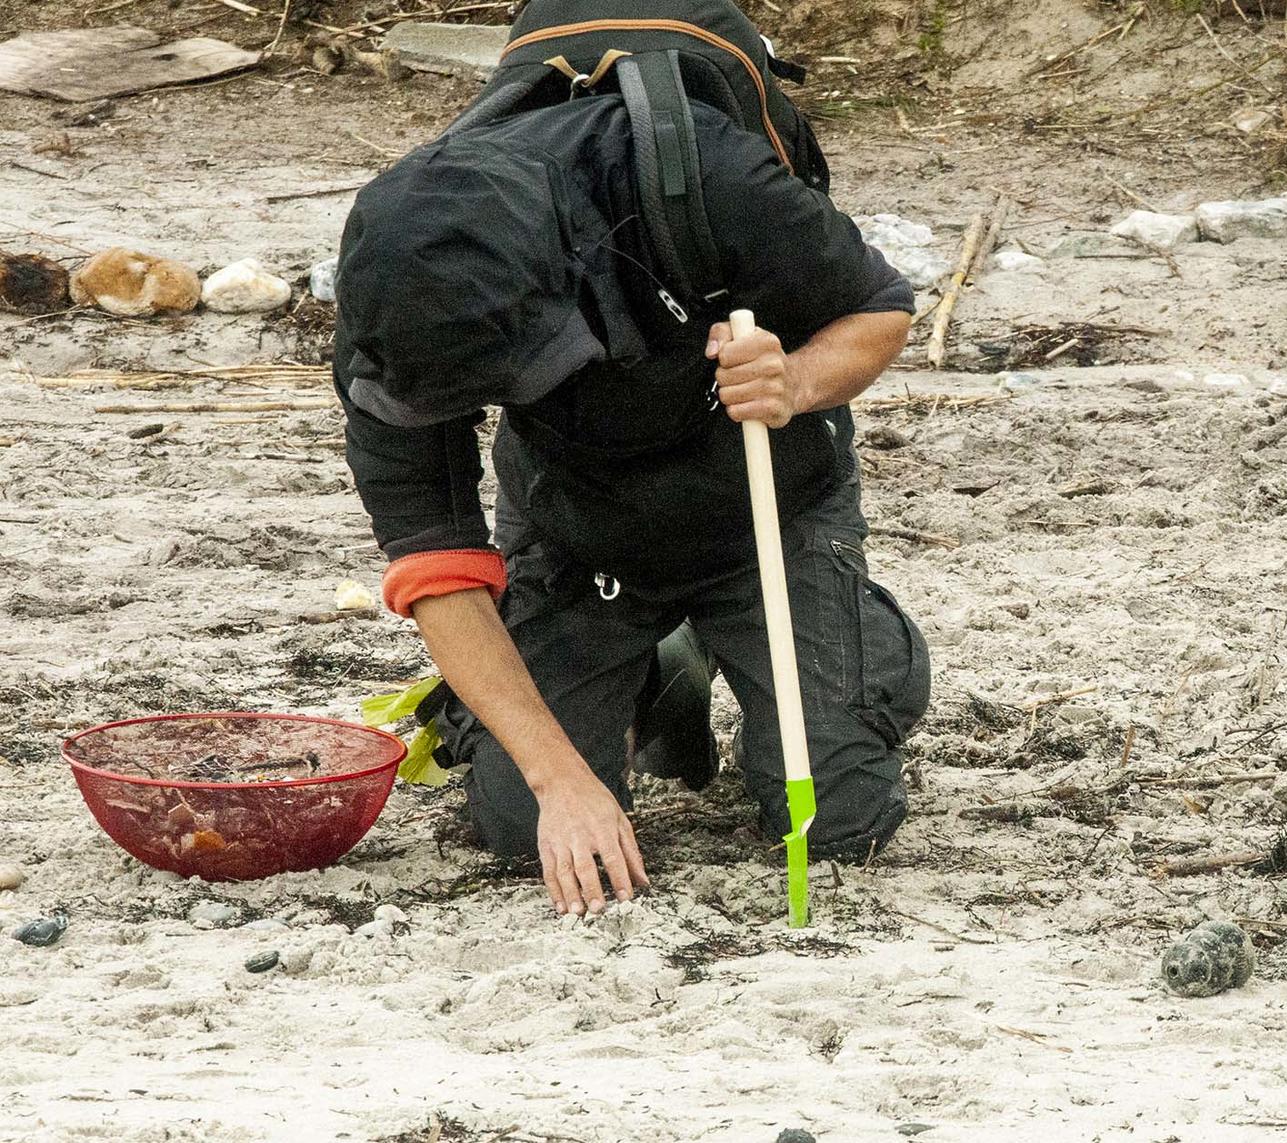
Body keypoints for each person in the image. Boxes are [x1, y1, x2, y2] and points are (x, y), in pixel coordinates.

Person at [332, 82, 930, 919]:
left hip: (763, 507)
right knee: (514, 820)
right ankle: (662, 668)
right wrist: (559, 779)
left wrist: (791, 378)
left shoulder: (708, 176)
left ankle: (845, 643)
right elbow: (437, 569)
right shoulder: (392, 311)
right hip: (580, 528)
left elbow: (883, 310)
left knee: (840, 819)